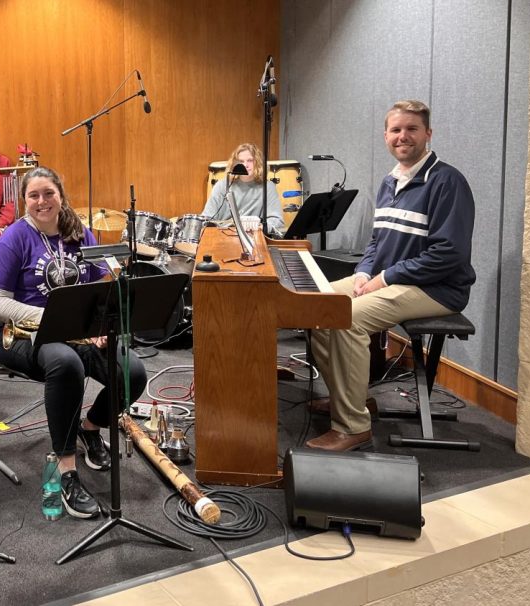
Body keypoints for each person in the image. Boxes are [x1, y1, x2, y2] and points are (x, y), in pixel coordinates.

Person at [306, 100, 476, 451]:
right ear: (386, 135)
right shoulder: (390, 182)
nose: (403, 136)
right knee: (314, 304)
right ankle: (350, 398)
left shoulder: (447, 181)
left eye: (412, 129)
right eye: (396, 130)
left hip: (437, 288)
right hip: (392, 278)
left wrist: (384, 279)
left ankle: (352, 425)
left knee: (347, 319)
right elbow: (377, 241)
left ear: (428, 134)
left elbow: (448, 254)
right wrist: (364, 272)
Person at [0, 167, 148, 519]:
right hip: (20, 334)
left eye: (48, 193)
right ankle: (66, 469)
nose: (41, 201)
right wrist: (52, 318)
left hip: (76, 330)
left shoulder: (80, 233)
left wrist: (102, 325)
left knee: (132, 371)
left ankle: (89, 428)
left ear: (60, 194)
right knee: (66, 364)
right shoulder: (14, 238)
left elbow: (101, 283)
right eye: (33, 195)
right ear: (24, 199)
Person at [201, 143, 285, 234]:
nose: (245, 165)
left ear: (258, 162)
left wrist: (259, 226)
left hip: (254, 236)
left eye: (250, 160)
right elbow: (206, 219)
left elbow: (277, 221)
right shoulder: (221, 186)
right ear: (234, 164)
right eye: (241, 161)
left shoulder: (268, 187)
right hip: (225, 235)